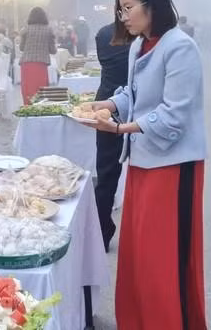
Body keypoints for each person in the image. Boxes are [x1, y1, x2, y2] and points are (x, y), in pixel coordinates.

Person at [80, 0, 207, 329]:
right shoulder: (139, 45)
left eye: (128, 8)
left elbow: (174, 113)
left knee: (166, 254)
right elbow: (131, 94)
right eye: (120, 10)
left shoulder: (179, 47)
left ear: (153, 5)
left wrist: (119, 127)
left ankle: (171, 321)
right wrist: (102, 104)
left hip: (173, 164)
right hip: (143, 160)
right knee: (139, 253)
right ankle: (140, 320)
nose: (123, 17)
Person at [93, 21, 129, 252]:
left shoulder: (103, 33)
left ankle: (102, 234)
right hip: (128, 103)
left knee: (106, 174)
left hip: (108, 98)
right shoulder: (142, 37)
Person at [19, 7, 56, 104]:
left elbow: (21, 48)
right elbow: (53, 51)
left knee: (28, 89)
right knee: (41, 90)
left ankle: (27, 111)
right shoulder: (49, 30)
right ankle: (40, 110)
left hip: (27, 64)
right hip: (41, 64)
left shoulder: (26, 29)